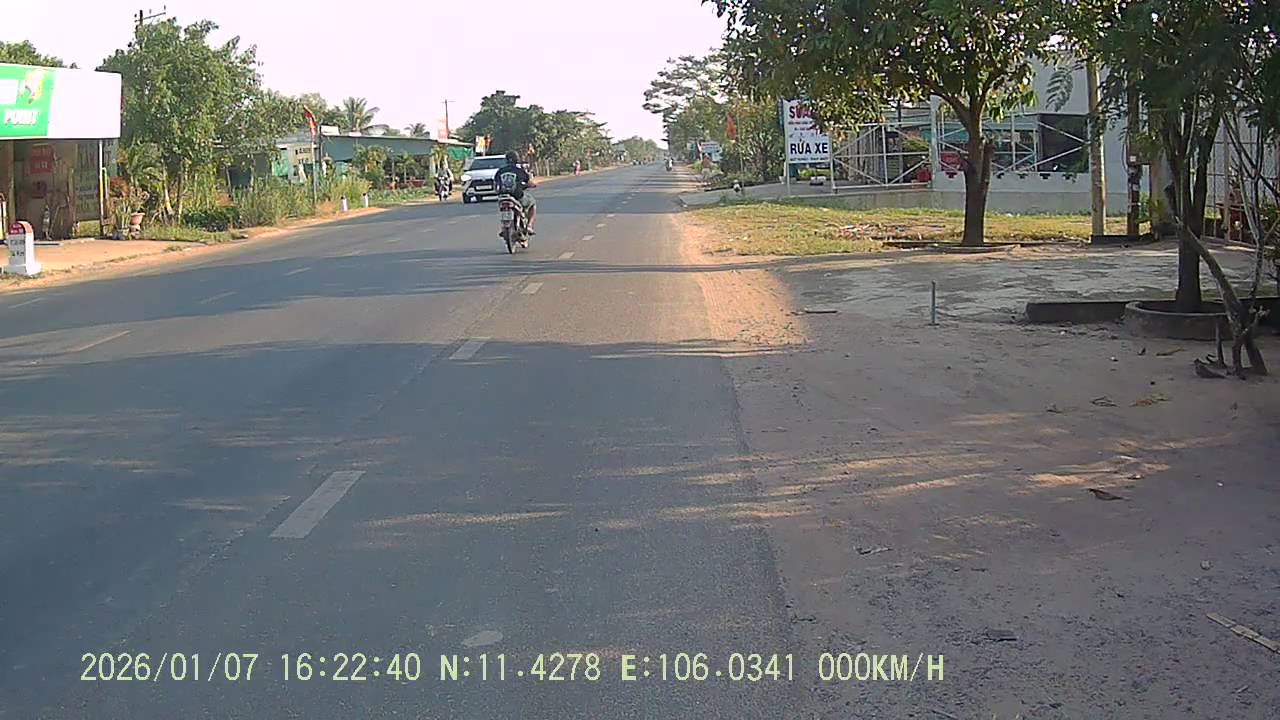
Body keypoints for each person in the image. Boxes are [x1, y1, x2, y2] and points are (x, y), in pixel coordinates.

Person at [495, 151, 537, 238]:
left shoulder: (500, 171)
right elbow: (529, 182)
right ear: (517, 159)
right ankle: (529, 226)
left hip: (503, 196)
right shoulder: (519, 171)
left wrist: (498, 192)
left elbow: (495, 185)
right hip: (517, 196)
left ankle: (504, 228)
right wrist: (532, 185)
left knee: (503, 209)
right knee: (532, 203)